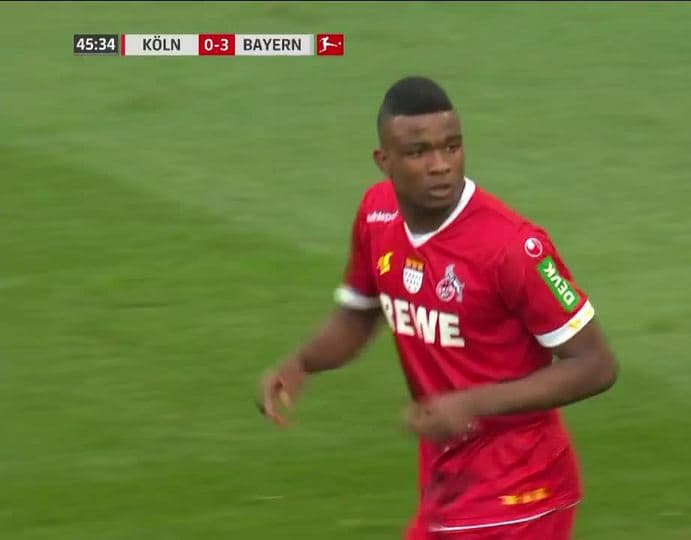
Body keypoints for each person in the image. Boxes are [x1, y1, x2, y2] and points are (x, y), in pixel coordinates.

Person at [257, 75, 618, 539]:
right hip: (448, 483)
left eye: (452, 147)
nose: (441, 165)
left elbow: (595, 364)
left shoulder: (512, 247)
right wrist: (302, 361)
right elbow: (360, 312)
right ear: (383, 161)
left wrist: (472, 403)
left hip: (520, 491)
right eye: (418, 152)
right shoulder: (377, 214)